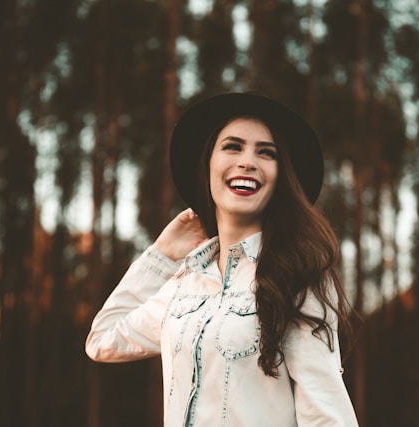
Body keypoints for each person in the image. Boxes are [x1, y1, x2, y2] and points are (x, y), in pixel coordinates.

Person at [85, 92, 359, 426]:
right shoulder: (185, 283)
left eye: (266, 152)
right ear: (209, 164)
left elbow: (326, 415)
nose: (247, 161)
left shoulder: (298, 275)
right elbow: (103, 339)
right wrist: (161, 256)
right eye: (232, 146)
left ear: (280, 177)